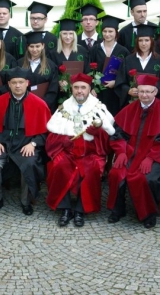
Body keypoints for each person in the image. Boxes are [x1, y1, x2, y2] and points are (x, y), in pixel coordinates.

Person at [107, 74, 160, 228]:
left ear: (155, 92)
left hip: (153, 155)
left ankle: (148, 214)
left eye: (148, 92)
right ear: (137, 92)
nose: (144, 95)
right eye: (141, 91)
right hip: (129, 153)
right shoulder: (129, 109)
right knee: (115, 174)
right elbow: (118, 134)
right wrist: (121, 152)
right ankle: (118, 209)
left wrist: (151, 158)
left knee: (147, 178)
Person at [46, 73, 115, 227]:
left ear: (89, 89)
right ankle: (65, 208)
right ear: (71, 89)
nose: (79, 91)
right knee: (59, 166)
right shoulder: (64, 108)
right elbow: (52, 135)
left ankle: (80, 210)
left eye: (83, 87)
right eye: (76, 87)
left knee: (91, 169)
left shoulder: (99, 108)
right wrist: (63, 140)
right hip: (67, 152)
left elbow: (108, 138)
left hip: (91, 153)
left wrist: (97, 133)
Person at [0, 67, 51, 216]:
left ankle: (25, 201)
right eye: (14, 82)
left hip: (26, 145)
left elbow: (46, 132)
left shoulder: (39, 104)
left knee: (29, 163)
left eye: (21, 82)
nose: (18, 86)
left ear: (27, 83)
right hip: (3, 145)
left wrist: (33, 144)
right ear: (9, 84)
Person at [89, 14, 129, 116]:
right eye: (105, 31)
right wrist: (92, 87)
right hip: (97, 93)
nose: (107, 34)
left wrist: (116, 82)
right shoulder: (95, 49)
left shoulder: (123, 51)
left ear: (116, 32)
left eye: (110, 31)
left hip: (115, 93)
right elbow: (88, 70)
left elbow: (126, 72)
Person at [114, 24, 160, 107]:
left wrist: (152, 91)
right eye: (140, 40)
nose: (143, 44)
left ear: (152, 41)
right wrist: (128, 90)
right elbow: (120, 82)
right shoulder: (128, 60)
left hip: (153, 105)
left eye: (147, 40)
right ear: (137, 42)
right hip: (131, 104)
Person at [21, 31, 59, 113]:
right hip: (23, 107)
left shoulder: (51, 66)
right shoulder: (19, 64)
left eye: (37, 46)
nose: (34, 50)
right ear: (27, 47)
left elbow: (53, 90)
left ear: (43, 46)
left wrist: (41, 105)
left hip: (44, 107)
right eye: (31, 46)